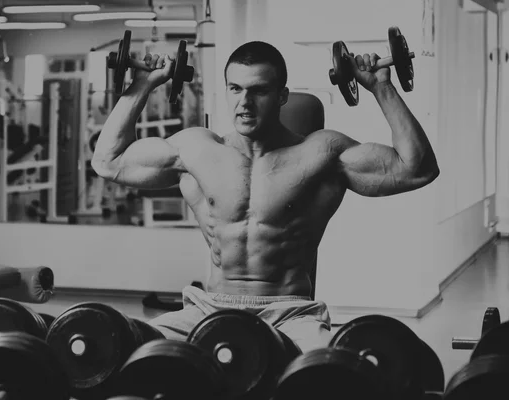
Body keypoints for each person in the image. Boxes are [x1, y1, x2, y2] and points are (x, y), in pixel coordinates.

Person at [91, 41, 440, 353]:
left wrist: (382, 87)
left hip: (289, 312)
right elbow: (108, 162)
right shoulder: (197, 149)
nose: (245, 101)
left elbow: (416, 169)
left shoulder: (321, 153)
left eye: (259, 90)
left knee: (328, 374)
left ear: (282, 96)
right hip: (208, 307)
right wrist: (142, 85)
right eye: (235, 88)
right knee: (125, 350)